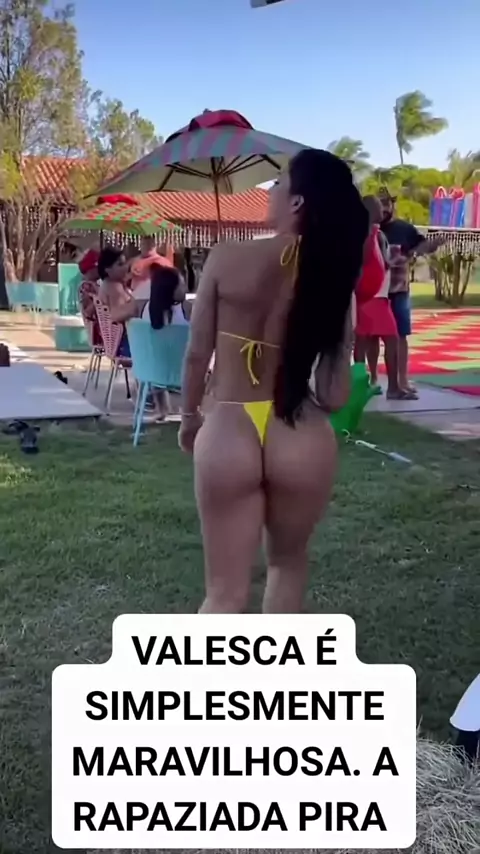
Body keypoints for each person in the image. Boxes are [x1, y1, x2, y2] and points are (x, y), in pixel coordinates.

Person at [179, 148, 369, 614]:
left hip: (229, 427)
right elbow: (334, 395)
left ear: (298, 201)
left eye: (280, 182)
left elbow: (196, 355)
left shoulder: (227, 256)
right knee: (287, 565)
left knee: (223, 595)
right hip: (299, 433)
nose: (272, 190)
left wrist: (188, 418)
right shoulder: (332, 279)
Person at [379, 188, 443, 396]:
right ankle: (373, 380)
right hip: (375, 293)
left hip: (399, 291)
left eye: (386, 203)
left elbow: (422, 246)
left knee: (401, 336)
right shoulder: (369, 229)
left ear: (392, 205)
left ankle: (402, 380)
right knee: (370, 338)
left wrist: (430, 246)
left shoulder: (405, 229)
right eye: (379, 204)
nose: (383, 209)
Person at [354, 196, 408, 399]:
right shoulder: (367, 233)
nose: (382, 209)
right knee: (386, 339)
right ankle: (390, 387)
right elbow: (362, 260)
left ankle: (363, 386)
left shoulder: (376, 233)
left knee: (364, 341)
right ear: (369, 210)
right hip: (371, 296)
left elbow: (379, 262)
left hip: (377, 295)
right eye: (378, 206)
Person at [97, 247, 132, 358]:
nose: (126, 267)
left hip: (118, 343)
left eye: (125, 263)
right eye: (120, 264)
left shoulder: (109, 284)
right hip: (125, 345)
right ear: (107, 269)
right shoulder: (115, 288)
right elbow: (118, 315)